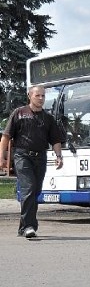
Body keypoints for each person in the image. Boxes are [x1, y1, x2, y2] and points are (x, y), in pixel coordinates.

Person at [0, 85, 65, 238]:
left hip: (40, 157)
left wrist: (59, 156)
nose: (41, 98)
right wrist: (1, 156)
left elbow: (55, 140)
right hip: (22, 156)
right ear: (30, 96)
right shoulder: (19, 113)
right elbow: (6, 136)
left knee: (35, 191)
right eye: (38, 95)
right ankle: (30, 226)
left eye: (43, 96)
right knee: (28, 188)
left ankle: (23, 227)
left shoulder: (48, 118)